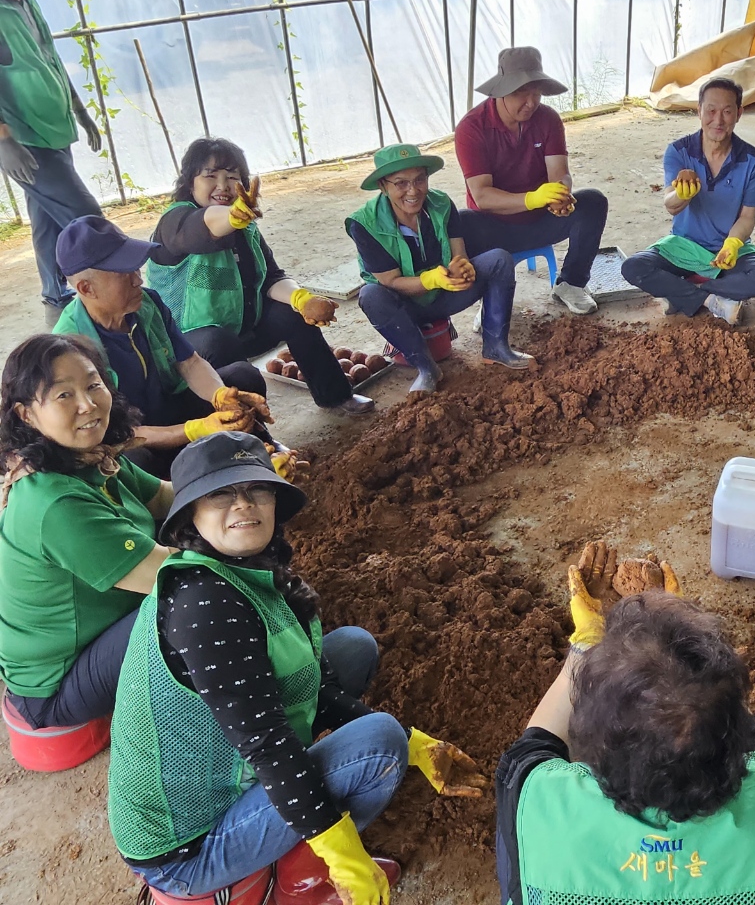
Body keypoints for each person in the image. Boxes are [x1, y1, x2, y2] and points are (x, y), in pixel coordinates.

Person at [108, 431, 487, 904]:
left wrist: (419, 744)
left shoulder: (245, 572)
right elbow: (270, 746)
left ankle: (299, 837)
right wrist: (347, 858)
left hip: (234, 765)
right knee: (378, 742)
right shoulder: (204, 604)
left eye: (256, 490)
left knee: (352, 648)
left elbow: (319, 686)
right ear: (190, 515)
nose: (243, 505)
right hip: (188, 848)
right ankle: (302, 878)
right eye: (221, 494)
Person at [495, 542, 755, 905]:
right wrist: (699, 670)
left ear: (593, 748)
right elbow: (750, 735)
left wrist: (583, 645)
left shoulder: (539, 805)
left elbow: (531, 748)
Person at [0, 334, 173, 733]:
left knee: (193, 529)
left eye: (94, 385)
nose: (88, 404)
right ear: (27, 415)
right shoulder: (56, 504)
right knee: (186, 605)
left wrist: (236, 484)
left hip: (97, 635)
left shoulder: (85, 456)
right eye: (64, 395)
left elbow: (163, 498)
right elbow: (173, 577)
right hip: (55, 687)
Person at [146, 137, 373, 415]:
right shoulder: (174, 222)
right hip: (190, 345)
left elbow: (270, 278)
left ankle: (337, 396)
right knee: (222, 343)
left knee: (292, 314)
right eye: (210, 176)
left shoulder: (245, 227)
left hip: (241, 326)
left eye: (232, 177)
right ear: (189, 182)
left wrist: (301, 299)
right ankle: (252, 428)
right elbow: (197, 230)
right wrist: (230, 216)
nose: (223, 185)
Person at [51, 215, 280, 479]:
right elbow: (113, 433)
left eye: (136, 268)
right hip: (129, 436)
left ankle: (260, 452)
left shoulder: (147, 303)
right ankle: (179, 496)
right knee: (134, 461)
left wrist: (219, 397)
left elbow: (190, 362)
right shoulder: (70, 349)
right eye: (124, 274)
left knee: (242, 377)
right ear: (86, 288)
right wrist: (195, 430)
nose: (138, 279)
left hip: (166, 409)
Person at [346, 143, 531, 394]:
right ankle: (426, 368)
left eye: (420, 179)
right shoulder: (364, 223)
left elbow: (459, 254)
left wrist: (461, 269)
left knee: (499, 259)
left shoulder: (441, 204)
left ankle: (496, 348)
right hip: (403, 308)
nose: (413, 190)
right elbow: (389, 280)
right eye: (400, 183)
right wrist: (430, 280)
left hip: (445, 295)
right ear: (383, 186)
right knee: (371, 295)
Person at [454, 47, 608, 316]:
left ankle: (571, 284)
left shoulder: (547, 119)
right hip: (493, 230)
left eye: (536, 93)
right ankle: (488, 295)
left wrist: (561, 194)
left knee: (593, 202)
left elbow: (559, 172)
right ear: (501, 91)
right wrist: (532, 198)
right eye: (520, 93)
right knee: (460, 221)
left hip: (540, 221)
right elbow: (482, 196)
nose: (530, 102)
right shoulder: (472, 128)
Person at [620, 79, 755, 326]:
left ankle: (682, 292)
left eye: (727, 111)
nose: (718, 120)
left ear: (739, 113)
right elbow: (670, 205)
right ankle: (712, 300)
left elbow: (747, 217)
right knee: (633, 267)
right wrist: (683, 194)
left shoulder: (754, 160)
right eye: (711, 110)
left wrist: (733, 244)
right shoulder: (679, 151)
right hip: (683, 246)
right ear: (699, 111)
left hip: (728, 248)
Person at [0, 0, 103, 317]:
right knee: (86, 217)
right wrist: (4, 140)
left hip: (53, 131)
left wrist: (78, 109)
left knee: (47, 225)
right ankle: (120, 290)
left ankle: (56, 299)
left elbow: (51, 60)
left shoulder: (26, 2)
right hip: (23, 141)